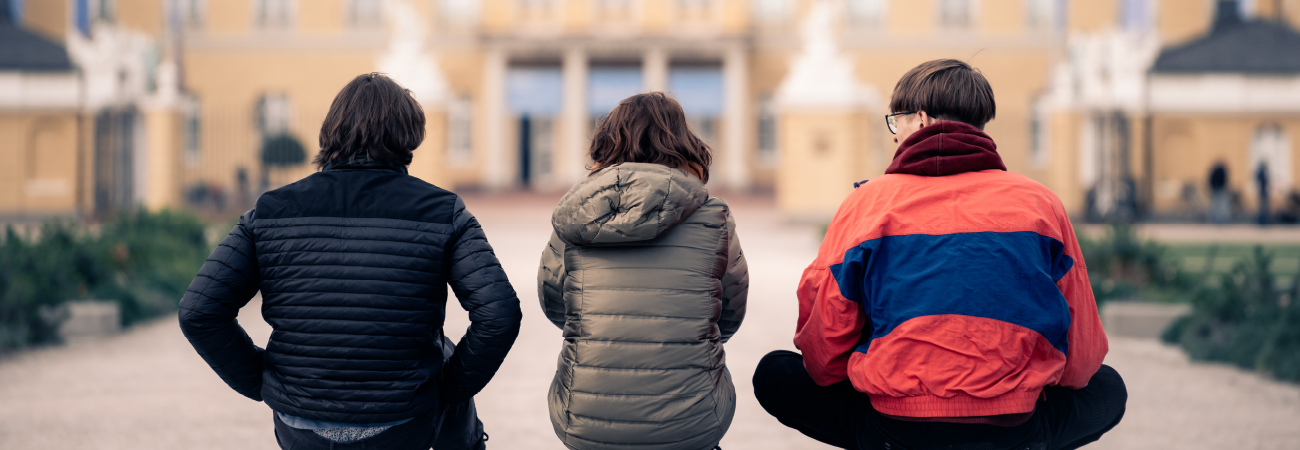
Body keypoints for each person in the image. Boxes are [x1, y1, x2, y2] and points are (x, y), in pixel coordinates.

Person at [752, 59, 1126, 450]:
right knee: (1108, 387)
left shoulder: (868, 203)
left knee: (775, 374)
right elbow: (1083, 357)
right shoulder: (1041, 203)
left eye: (896, 121)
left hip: (895, 430)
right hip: (1012, 429)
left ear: (921, 119)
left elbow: (823, 348)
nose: (895, 135)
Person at [178, 73, 522, 450]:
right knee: (447, 353)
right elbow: (499, 315)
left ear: (331, 131)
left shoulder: (270, 211)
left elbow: (199, 311)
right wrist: (446, 389)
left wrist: (262, 381)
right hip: (403, 423)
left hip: (299, 424)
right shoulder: (443, 212)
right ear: (409, 135)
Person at [537, 92, 749, 450]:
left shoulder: (575, 213)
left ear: (607, 143)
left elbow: (554, 301)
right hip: (692, 424)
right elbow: (729, 309)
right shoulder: (714, 215)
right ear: (685, 144)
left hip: (583, 420)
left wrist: (603, 331)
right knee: (711, 366)